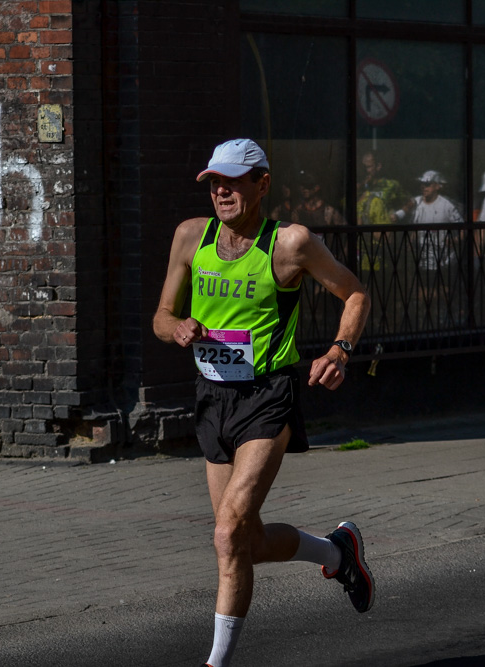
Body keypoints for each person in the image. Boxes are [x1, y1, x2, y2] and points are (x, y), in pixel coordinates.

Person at [153, 138, 374, 667]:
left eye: (233, 181)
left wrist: (340, 350)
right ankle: (337, 553)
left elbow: (356, 293)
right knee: (242, 542)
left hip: (267, 397)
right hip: (211, 398)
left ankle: (217, 663)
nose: (222, 192)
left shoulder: (289, 244)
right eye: (214, 182)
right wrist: (176, 327)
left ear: (262, 184)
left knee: (226, 531)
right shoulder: (191, 236)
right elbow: (161, 315)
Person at [395, 169, 463, 270]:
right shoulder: (417, 202)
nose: (423, 187)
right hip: (422, 257)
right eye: (422, 184)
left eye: (427, 184)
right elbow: (413, 226)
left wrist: (455, 240)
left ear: (437, 186)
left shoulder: (447, 205)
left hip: (443, 259)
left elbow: (463, 227)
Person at [357, 150, 407, 225]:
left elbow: (411, 202)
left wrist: (398, 214)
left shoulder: (391, 185)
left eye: (368, 167)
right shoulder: (361, 187)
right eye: (364, 167)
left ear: (378, 166)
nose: (366, 171)